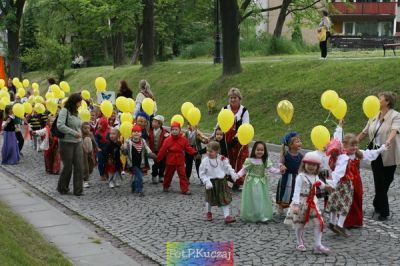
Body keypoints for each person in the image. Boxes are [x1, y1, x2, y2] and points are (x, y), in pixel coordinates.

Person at [326, 134, 387, 236]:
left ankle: (352, 221)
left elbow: (370, 154)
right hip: (344, 182)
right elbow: (338, 171)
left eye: (355, 145)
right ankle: (340, 224)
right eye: (352, 145)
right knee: (343, 202)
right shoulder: (343, 157)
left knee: (355, 199)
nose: (354, 147)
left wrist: (381, 149)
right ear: (344, 146)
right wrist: (332, 182)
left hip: (355, 181)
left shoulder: (357, 154)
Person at [357, 91, 400, 221]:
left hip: (389, 151)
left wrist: (388, 140)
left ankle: (376, 202)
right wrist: (352, 142)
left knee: (387, 180)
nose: (376, 101)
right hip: (375, 152)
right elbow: (364, 132)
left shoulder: (396, 115)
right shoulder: (373, 115)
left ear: (387, 101)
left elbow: (394, 130)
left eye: (379, 99)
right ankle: (384, 211)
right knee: (379, 181)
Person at [284, 152, 331, 254]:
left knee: (319, 222)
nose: (311, 166)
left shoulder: (315, 176)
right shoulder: (301, 176)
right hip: (301, 203)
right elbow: (296, 191)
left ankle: (318, 244)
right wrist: (295, 205)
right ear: (304, 164)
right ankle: (299, 241)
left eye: (314, 165)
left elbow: (320, 184)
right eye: (309, 164)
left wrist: (327, 186)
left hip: (313, 203)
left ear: (317, 167)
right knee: (299, 224)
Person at [215, 88, 250, 190]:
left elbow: (246, 125)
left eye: (235, 98)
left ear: (239, 98)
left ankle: (238, 181)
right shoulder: (225, 109)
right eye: (231, 98)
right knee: (227, 159)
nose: (233, 100)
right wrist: (213, 135)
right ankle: (227, 180)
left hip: (240, 139)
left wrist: (237, 137)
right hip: (226, 139)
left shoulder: (244, 111)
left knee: (239, 160)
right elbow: (219, 123)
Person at [238, 141, 280, 223]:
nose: (260, 152)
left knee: (260, 198)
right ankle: (252, 214)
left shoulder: (265, 160)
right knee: (252, 198)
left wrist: (279, 171)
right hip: (251, 182)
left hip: (261, 182)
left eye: (262, 150)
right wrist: (237, 175)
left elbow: (271, 169)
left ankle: (261, 214)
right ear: (254, 150)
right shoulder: (250, 160)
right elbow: (244, 170)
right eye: (258, 150)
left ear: (264, 151)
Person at [199, 141, 239, 224]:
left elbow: (228, 167)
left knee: (224, 199)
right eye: (207, 151)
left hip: (221, 182)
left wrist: (232, 173)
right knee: (209, 199)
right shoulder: (205, 161)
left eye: (211, 151)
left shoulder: (222, 159)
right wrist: (206, 181)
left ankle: (227, 216)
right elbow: (202, 173)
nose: (208, 153)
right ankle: (208, 212)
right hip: (211, 183)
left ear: (217, 151)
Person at [156, 122, 197, 195]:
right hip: (170, 159)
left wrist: (194, 153)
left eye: (176, 130)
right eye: (173, 130)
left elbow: (188, 148)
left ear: (179, 130)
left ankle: (185, 189)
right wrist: (158, 158)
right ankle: (166, 186)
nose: (174, 131)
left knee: (183, 175)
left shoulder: (183, 139)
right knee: (168, 175)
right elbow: (163, 150)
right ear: (171, 130)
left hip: (180, 160)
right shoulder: (167, 140)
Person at [56, 93, 84, 196]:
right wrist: (73, 133)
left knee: (79, 166)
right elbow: (60, 125)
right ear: (74, 102)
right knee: (68, 167)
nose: (80, 104)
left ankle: (78, 190)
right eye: (79, 102)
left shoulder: (76, 112)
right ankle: (62, 187)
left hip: (77, 142)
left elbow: (78, 126)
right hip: (66, 143)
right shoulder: (64, 111)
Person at [122, 125, 154, 196]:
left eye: (138, 132)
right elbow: (125, 151)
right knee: (139, 176)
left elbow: (147, 149)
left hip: (141, 162)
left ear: (141, 133)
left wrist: (152, 154)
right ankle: (140, 190)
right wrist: (123, 149)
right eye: (134, 131)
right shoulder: (128, 141)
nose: (136, 133)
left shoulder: (143, 141)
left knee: (136, 176)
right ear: (131, 133)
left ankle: (133, 186)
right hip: (132, 163)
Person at [276, 132, 303, 212]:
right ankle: (281, 205)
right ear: (290, 145)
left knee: (294, 191)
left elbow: (301, 167)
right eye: (297, 141)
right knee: (284, 191)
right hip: (286, 177)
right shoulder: (286, 155)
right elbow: (281, 162)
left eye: (300, 141)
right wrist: (281, 166)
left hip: (295, 177)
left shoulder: (301, 156)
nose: (300, 143)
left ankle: (292, 207)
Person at [148, 115, 169, 184]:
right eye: (152, 121)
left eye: (155, 122)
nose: (152, 123)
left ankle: (161, 175)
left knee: (163, 164)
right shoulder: (150, 131)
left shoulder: (165, 132)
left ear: (159, 124)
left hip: (162, 151)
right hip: (154, 150)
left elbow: (167, 142)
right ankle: (154, 175)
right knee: (156, 163)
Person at [81, 122, 96, 188]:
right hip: (83, 153)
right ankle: (85, 180)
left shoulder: (91, 134)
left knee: (91, 164)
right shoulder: (81, 135)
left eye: (88, 128)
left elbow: (94, 142)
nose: (87, 129)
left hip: (90, 152)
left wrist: (97, 148)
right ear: (81, 129)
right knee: (85, 166)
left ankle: (85, 175)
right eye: (85, 128)